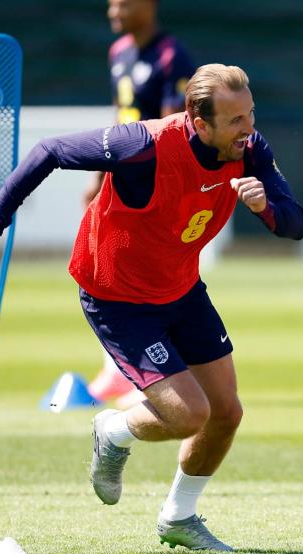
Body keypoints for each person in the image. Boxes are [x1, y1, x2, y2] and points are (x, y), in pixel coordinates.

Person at [0, 64, 303, 551]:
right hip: (117, 297)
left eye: (250, 114)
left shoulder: (250, 150)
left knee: (226, 412)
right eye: (235, 120)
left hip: (180, 288)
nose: (248, 129)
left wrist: (264, 207)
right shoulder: (143, 145)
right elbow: (50, 151)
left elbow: (294, 224)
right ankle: (114, 429)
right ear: (198, 120)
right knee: (190, 415)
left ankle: (178, 517)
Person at [84, 0, 197, 403]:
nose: (113, 12)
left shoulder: (172, 54)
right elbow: (119, 119)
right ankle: (120, 369)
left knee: (156, 274)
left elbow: (175, 127)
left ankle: (161, 372)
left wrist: (170, 190)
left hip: (156, 186)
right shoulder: (118, 52)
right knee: (105, 271)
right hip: (122, 182)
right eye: (111, 5)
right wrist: (101, 175)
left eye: (123, 4)